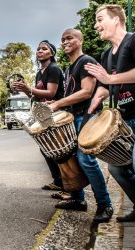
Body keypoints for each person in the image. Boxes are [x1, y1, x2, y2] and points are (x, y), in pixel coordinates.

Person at [48, 28, 113, 223]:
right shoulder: (69, 68)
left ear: (80, 40)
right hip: (74, 117)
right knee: (72, 159)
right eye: (62, 39)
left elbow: (86, 92)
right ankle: (78, 199)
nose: (65, 41)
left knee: (86, 160)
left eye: (69, 38)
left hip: (88, 116)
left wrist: (58, 103)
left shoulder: (86, 61)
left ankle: (105, 204)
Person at [85, 4, 135, 222]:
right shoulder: (106, 54)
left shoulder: (133, 40)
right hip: (122, 121)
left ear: (116, 20)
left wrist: (110, 79)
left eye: (100, 19)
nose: (96, 25)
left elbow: (110, 78)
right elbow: (106, 84)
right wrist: (98, 97)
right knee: (117, 169)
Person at [14, 40, 70, 199]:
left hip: (56, 113)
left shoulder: (53, 69)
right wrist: (25, 90)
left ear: (52, 53)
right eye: (38, 48)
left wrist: (29, 89)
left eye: (44, 49)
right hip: (43, 114)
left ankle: (68, 185)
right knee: (46, 148)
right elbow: (36, 95)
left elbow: (51, 93)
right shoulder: (40, 72)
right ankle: (58, 181)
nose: (39, 51)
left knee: (57, 150)